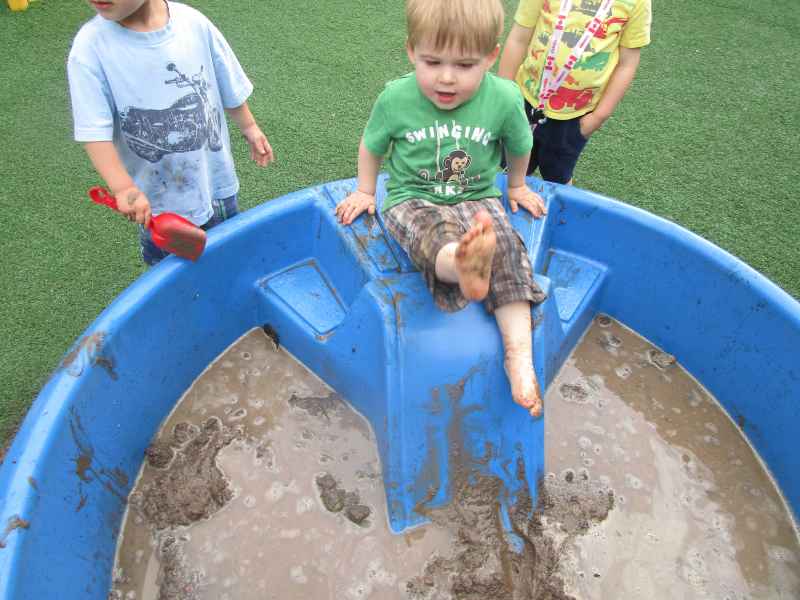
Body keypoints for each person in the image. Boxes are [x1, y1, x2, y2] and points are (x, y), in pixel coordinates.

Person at [335, 0, 548, 417]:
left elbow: (520, 144)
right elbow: (372, 144)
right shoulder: (396, 98)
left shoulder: (504, 97)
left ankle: (518, 356)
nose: (446, 77)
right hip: (413, 195)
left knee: (507, 248)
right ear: (411, 50)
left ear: (491, 56)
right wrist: (365, 190)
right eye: (433, 61)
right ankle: (462, 264)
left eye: (465, 65)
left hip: (479, 197)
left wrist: (517, 185)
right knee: (431, 235)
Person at [68, 0, 274, 265]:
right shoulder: (90, 49)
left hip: (215, 184)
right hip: (160, 208)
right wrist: (123, 187)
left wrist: (249, 127)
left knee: (229, 256)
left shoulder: (193, 24)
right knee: (174, 275)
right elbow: (93, 131)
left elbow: (226, 80)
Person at [497, 0, 651, 184]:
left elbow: (628, 63)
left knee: (558, 177)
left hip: (574, 117)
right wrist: (505, 94)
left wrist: (598, 117)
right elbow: (518, 38)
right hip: (524, 101)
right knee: (512, 169)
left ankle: (560, 210)